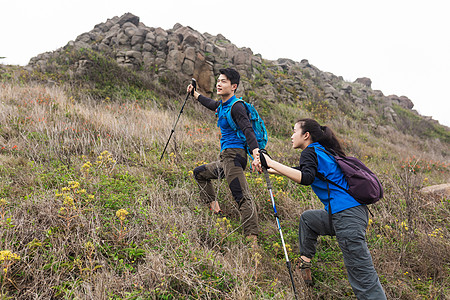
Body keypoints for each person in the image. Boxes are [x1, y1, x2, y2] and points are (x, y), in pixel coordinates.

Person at [258, 118, 387, 299]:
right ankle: (305, 265)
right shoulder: (321, 151)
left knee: (363, 277)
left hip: (347, 215)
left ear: (306, 135)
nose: (291, 136)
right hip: (346, 214)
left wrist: (271, 163)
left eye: (295, 131)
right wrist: (270, 168)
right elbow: (304, 171)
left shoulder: (310, 151)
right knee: (309, 219)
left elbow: (306, 178)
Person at [187, 68, 261, 244]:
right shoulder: (222, 105)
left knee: (242, 196)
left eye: (224, 81)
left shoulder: (237, 106)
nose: (219, 84)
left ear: (233, 86)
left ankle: (252, 241)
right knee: (199, 173)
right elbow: (210, 103)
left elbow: (247, 129)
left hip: (234, 157)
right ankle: (216, 212)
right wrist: (194, 94)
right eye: (218, 80)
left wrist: (256, 152)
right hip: (226, 159)